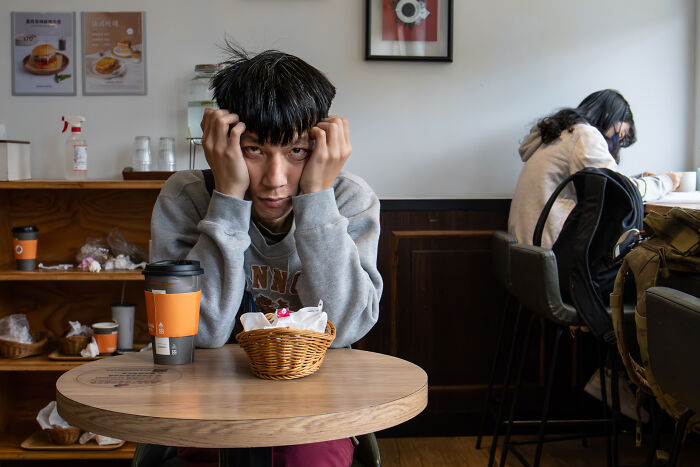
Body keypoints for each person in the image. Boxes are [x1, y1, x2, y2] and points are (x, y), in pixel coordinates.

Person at [150, 46, 383, 467]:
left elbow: (346, 326)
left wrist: (316, 200)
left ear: (322, 146)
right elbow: (197, 333)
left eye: (297, 151)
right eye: (254, 150)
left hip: (317, 399)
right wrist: (227, 198)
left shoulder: (348, 199)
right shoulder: (188, 196)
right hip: (209, 396)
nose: (276, 180)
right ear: (223, 143)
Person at [508, 89, 681, 248]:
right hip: (552, 249)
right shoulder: (583, 135)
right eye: (621, 134)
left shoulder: (559, 136)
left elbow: (598, 179)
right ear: (609, 116)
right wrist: (666, 181)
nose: (618, 142)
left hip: (528, 250)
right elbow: (620, 191)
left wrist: (640, 177)